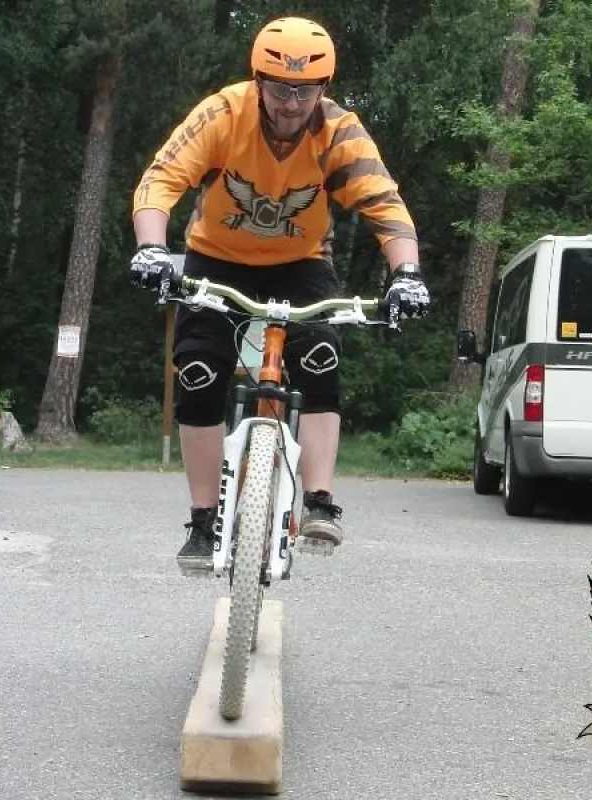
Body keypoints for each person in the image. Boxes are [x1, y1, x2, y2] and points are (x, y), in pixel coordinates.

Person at [128, 16, 430, 572]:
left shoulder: (338, 132)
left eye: (306, 90)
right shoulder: (223, 114)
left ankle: (319, 502)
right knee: (197, 369)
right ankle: (202, 520)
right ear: (258, 81)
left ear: (324, 89)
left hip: (302, 264)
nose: (292, 104)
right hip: (215, 259)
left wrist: (407, 275)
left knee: (320, 356)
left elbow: (385, 206)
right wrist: (151, 248)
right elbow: (161, 180)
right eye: (280, 89)